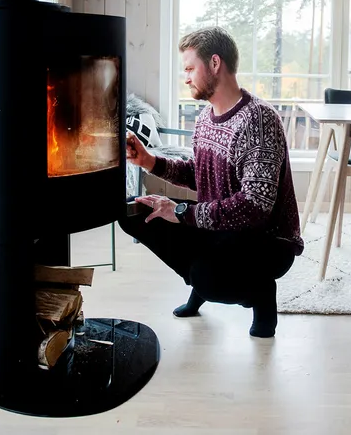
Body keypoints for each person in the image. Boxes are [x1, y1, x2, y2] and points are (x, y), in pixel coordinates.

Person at [122, 26, 304, 338]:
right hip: (219, 226)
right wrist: (148, 161)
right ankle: (200, 278)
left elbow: (254, 206)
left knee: (207, 275)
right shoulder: (206, 117)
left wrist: (181, 213)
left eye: (191, 68)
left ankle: (259, 293)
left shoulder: (257, 119)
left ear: (215, 64)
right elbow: (200, 173)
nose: (187, 77)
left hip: (265, 240)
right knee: (132, 213)